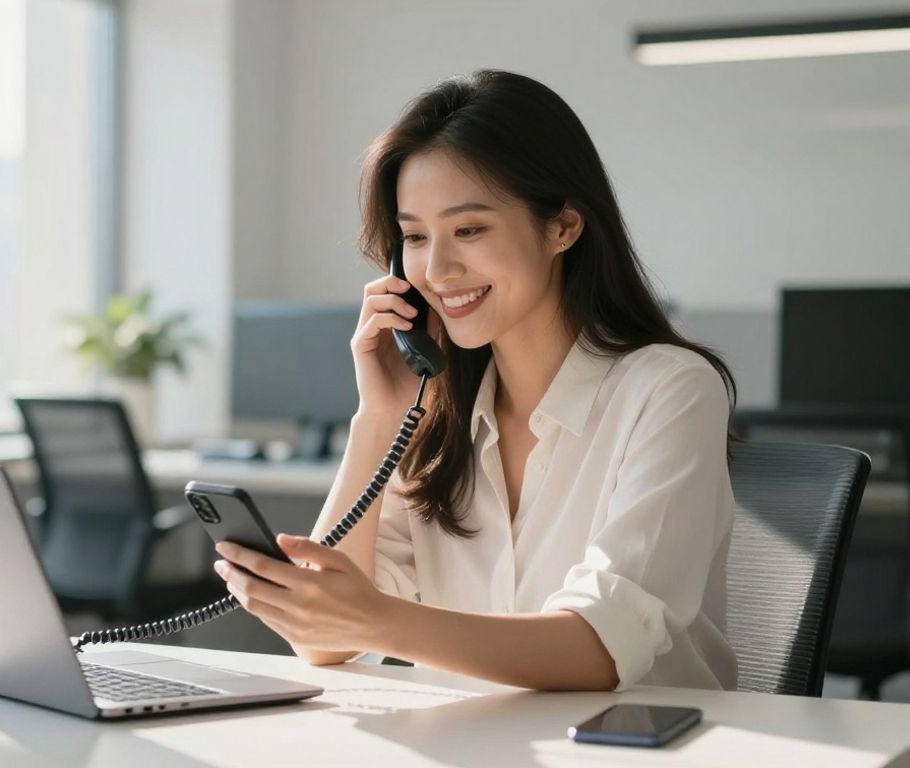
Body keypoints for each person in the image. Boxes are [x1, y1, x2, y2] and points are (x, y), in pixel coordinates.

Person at [212, 70, 738, 692]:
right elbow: (324, 641)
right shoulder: (437, 418)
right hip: (477, 738)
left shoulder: (669, 390)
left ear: (562, 227)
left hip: (639, 737)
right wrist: (377, 418)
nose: (436, 270)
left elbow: (600, 649)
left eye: (468, 230)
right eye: (414, 237)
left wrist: (378, 621)